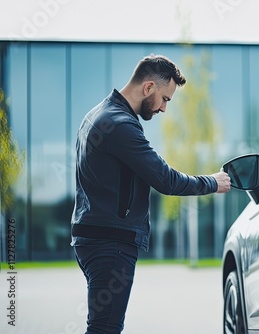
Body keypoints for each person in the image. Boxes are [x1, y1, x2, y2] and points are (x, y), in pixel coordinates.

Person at [70, 54, 231, 334]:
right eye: (165, 99)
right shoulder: (120, 125)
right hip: (111, 244)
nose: (164, 108)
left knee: (101, 326)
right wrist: (213, 183)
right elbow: (166, 179)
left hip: (92, 238)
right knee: (104, 328)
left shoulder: (95, 116)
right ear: (148, 88)